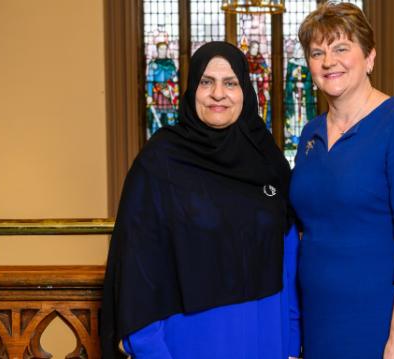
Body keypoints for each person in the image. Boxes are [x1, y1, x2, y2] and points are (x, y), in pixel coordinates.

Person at [101, 42, 300, 359]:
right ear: (192, 88)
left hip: (264, 335)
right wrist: (149, 347)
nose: (218, 93)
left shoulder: (267, 160)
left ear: (246, 91)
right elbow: (138, 264)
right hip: (192, 339)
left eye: (230, 83)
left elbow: (286, 250)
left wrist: (291, 339)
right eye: (207, 82)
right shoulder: (159, 163)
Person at [290, 3, 394, 358]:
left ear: (369, 57)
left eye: (341, 48)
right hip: (320, 319)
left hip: (382, 320)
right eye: (317, 52)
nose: (329, 61)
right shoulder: (310, 134)